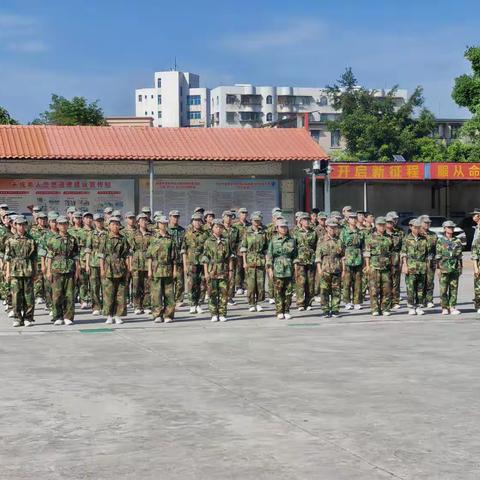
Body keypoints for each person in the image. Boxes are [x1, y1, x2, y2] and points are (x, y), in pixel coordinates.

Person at [46, 216, 80, 326]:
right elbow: (49, 256)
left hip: (69, 269)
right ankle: (57, 316)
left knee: (69, 294)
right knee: (57, 294)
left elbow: (76, 256)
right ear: (57, 225)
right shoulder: (52, 239)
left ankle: (68, 316)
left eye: (65, 223)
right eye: (60, 224)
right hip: (56, 269)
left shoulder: (73, 239)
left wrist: (77, 270)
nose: (63, 226)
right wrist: (48, 271)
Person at [4, 216, 37, 327]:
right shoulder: (11, 240)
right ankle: (17, 318)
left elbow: (34, 258)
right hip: (15, 270)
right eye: (19, 224)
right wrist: (8, 272)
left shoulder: (31, 240)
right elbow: (8, 258)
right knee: (16, 296)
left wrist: (35, 272)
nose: (21, 227)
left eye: (23, 224)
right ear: (15, 225)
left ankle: (28, 318)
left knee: (29, 296)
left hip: (28, 269)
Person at [99, 217, 130, 324]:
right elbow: (101, 255)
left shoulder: (123, 239)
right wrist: (102, 269)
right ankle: (109, 315)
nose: (115, 226)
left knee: (120, 294)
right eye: (113, 224)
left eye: (117, 224)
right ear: (109, 226)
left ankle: (118, 315)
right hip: (109, 268)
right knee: (109, 293)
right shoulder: (105, 238)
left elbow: (126, 254)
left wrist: (128, 268)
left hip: (121, 268)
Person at [201, 219, 233, 322]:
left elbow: (230, 257)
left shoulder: (226, 241)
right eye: (216, 227)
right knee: (212, 293)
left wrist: (231, 270)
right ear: (212, 228)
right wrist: (206, 273)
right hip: (212, 270)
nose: (218, 229)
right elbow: (205, 258)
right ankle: (214, 313)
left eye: (220, 227)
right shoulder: (208, 241)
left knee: (224, 293)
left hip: (223, 270)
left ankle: (223, 313)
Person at [147, 215, 176, 323]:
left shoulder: (170, 238)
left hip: (168, 268)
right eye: (161, 223)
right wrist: (149, 270)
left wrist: (174, 270)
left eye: (165, 223)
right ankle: (157, 314)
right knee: (156, 293)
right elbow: (149, 256)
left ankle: (168, 315)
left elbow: (174, 257)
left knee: (169, 294)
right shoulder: (154, 238)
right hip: (156, 269)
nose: (163, 225)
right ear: (158, 224)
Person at [267, 220, 297, 320]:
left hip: (289, 269)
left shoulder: (292, 240)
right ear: (277, 228)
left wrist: (296, 268)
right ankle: (279, 311)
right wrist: (270, 269)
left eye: (285, 227)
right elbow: (270, 256)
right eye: (281, 227)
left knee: (288, 292)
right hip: (277, 268)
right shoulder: (273, 240)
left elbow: (295, 256)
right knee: (278, 291)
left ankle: (287, 310)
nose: (284, 229)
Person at [364, 216, 393, 316]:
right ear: (376, 225)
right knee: (374, 289)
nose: (381, 227)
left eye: (383, 225)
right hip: (374, 266)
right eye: (380, 225)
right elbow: (367, 253)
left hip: (386, 267)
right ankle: (375, 308)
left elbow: (391, 253)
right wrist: (367, 266)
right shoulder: (370, 237)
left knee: (387, 289)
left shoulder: (389, 237)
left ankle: (385, 308)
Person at [240, 213, 268, 312]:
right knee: (251, 284)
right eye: (255, 220)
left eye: (258, 220)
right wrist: (244, 262)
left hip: (260, 259)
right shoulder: (247, 232)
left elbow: (266, 249)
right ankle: (251, 303)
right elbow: (243, 248)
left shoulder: (263, 233)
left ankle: (259, 302)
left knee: (260, 283)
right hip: (250, 259)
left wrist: (267, 261)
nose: (256, 222)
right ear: (251, 221)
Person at [315, 219, 344, 318]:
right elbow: (318, 256)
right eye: (330, 227)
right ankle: (326, 310)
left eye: (334, 227)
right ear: (326, 228)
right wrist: (319, 270)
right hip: (325, 269)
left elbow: (343, 257)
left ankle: (335, 309)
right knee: (324, 291)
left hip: (337, 268)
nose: (332, 229)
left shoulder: (339, 241)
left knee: (336, 291)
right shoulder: (321, 240)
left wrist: (343, 270)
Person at [401, 218, 429, 315]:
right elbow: (403, 253)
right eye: (415, 227)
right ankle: (411, 306)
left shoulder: (424, 239)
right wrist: (404, 265)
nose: (417, 229)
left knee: (420, 288)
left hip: (422, 266)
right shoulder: (406, 239)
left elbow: (427, 254)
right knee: (411, 288)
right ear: (410, 227)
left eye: (418, 227)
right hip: (411, 266)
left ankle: (419, 306)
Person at [436, 221, 463, 315]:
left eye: (452, 227)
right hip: (443, 266)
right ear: (444, 229)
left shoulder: (457, 240)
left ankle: (452, 307)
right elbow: (438, 255)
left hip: (454, 266)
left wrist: (461, 267)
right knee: (443, 289)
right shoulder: (440, 240)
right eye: (449, 227)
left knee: (454, 288)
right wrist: (438, 268)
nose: (451, 229)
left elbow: (459, 256)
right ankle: (444, 307)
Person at [183, 212, 207, 314]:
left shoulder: (205, 234)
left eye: (199, 221)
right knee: (191, 284)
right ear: (192, 222)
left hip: (202, 263)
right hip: (191, 263)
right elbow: (183, 250)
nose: (197, 223)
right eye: (195, 221)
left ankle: (199, 304)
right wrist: (185, 265)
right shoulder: (187, 234)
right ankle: (192, 304)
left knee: (202, 284)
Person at [340, 211, 364, 310]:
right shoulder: (344, 231)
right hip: (348, 257)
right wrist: (342, 257)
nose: (353, 220)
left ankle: (357, 301)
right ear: (348, 220)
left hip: (358, 257)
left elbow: (363, 245)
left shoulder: (360, 232)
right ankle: (347, 301)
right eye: (351, 218)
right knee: (347, 281)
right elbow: (341, 246)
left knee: (358, 281)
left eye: (355, 218)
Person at [293, 212, 317, 310]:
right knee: (300, 282)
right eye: (304, 220)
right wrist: (294, 260)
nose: (307, 222)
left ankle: (309, 303)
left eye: (308, 220)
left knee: (310, 282)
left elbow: (316, 246)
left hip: (311, 259)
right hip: (300, 259)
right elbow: (294, 247)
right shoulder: (296, 233)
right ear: (300, 222)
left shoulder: (313, 232)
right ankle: (300, 303)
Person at [130, 213, 153, 314]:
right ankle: (137, 306)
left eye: (146, 220)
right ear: (138, 222)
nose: (144, 222)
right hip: (136, 262)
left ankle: (147, 305)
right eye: (142, 220)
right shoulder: (134, 234)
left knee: (147, 285)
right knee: (136, 285)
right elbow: (130, 251)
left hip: (147, 262)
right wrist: (130, 264)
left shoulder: (151, 234)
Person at [85, 213, 107, 316]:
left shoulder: (107, 233)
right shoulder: (91, 234)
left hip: (105, 263)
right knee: (94, 286)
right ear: (94, 222)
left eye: (101, 221)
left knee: (106, 286)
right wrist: (87, 264)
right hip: (93, 263)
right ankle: (96, 307)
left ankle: (106, 306)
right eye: (97, 221)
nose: (99, 223)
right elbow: (88, 249)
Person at [29, 211, 49, 305]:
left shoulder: (48, 230)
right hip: (36, 257)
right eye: (41, 219)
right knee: (38, 277)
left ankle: (46, 296)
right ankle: (38, 295)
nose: (43, 221)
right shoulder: (33, 231)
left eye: (45, 219)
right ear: (37, 220)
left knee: (47, 278)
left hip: (47, 258)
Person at [167, 210, 186, 306]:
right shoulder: (166, 230)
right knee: (169, 281)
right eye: (174, 216)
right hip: (168, 259)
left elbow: (184, 245)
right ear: (169, 217)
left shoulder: (182, 230)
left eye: (177, 217)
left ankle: (179, 299)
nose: (175, 218)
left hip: (179, 259)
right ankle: (169, 299)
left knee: (180, 281)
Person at [385, 212, 404, 309]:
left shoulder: (400, 231)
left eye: (396, 219)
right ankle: (386, 301)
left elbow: (403, 246)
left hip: (396, 258)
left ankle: (396, 301)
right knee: (386, 281)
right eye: (392, 220)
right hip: (384, 259)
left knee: (396, 281)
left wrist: (402, 260)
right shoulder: (381, 232)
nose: (394, 221)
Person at [222, 210, 240, 305]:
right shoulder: (219, 229)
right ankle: (222, 295)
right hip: (221, 258)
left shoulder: (235, 230)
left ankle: (230, 296)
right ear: (223, 218)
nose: (228, 218)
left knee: (231, 277)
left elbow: (238, 243)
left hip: (232, 257)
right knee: (222, 276)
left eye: (230, 217)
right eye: (227, 216)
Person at [419, 215, 438, 309]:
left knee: (430, 281)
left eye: (429, 223)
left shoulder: (433, 234)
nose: (427, 224)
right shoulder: (417, 234)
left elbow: (436, 249)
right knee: (421, 281)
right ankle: (421, 300)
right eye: (425, 223)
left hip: (430, 261)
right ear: (421, 223)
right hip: (420, 262)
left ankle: (429, 300)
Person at [234, 207, 250, 295]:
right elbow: (234, 239)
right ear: (239, 215)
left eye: (245, 213)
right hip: (239, 250)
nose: (244, 215)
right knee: (239, 268)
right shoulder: (236, 226)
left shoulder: (249, 225)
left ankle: (245, 285)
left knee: (247, 268)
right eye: (242, 213)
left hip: (248, 250)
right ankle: (238, 286)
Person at [472, 233, 480, 313]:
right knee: (478, 288)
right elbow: (474, 256)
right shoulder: (477, 241)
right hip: (479, 267)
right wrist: (476, 268)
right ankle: (478, 305)